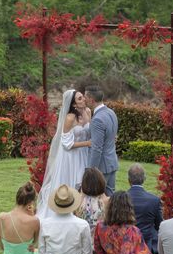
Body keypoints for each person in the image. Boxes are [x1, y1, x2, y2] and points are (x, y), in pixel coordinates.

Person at [36, 89, 91, 220]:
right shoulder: (70, 118)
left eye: (82, 97)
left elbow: (90, 131)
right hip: (70, 156)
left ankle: (80, 214)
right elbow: (66, 144)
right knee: (72, 182)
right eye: (79, 99)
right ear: (73, 105)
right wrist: (87, 143)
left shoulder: (88, 112)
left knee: (83, 183)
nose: (83, 99)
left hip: (83, 154)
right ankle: (66, 210)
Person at [85, 85, 119, 195]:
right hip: (112, 162)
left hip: (101, 168)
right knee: (109, 197)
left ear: (91, 99)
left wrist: (91, 171)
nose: (84, 99)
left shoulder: (97, 119)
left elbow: (96, 148)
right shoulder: (111, 112)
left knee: (97, 198)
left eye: (85, 97)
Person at [126, 163, 162, 254]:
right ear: (144, 179)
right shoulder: (154, 200)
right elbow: (159, 225)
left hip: (125, 242)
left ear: (129, 180)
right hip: (146, 244)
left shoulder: (121, 198)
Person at [76, 167, 109, 237]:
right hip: (100, 240)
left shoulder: (78, 202)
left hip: (81, 240)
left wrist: (82, 193)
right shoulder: (106, 202)